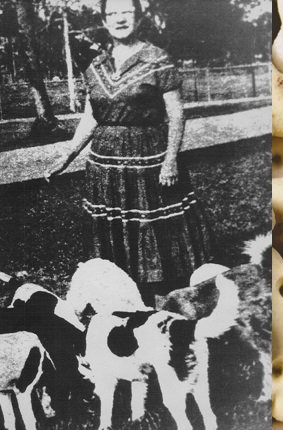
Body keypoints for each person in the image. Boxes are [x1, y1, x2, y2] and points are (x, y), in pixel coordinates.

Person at [47, 0, 213, 306]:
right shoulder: (96, 66)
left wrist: (171, 160)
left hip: (148, 159)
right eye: (113, 13)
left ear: (138, 17)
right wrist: (68, 155)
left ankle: (166, 305)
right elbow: (92, 116)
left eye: (126, 12)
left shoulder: (157, 59)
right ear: (104, 20)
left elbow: (176, 114)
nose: (119, 19)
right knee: (114, 230)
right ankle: (123, 302)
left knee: (153, 229)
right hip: (105, 164)